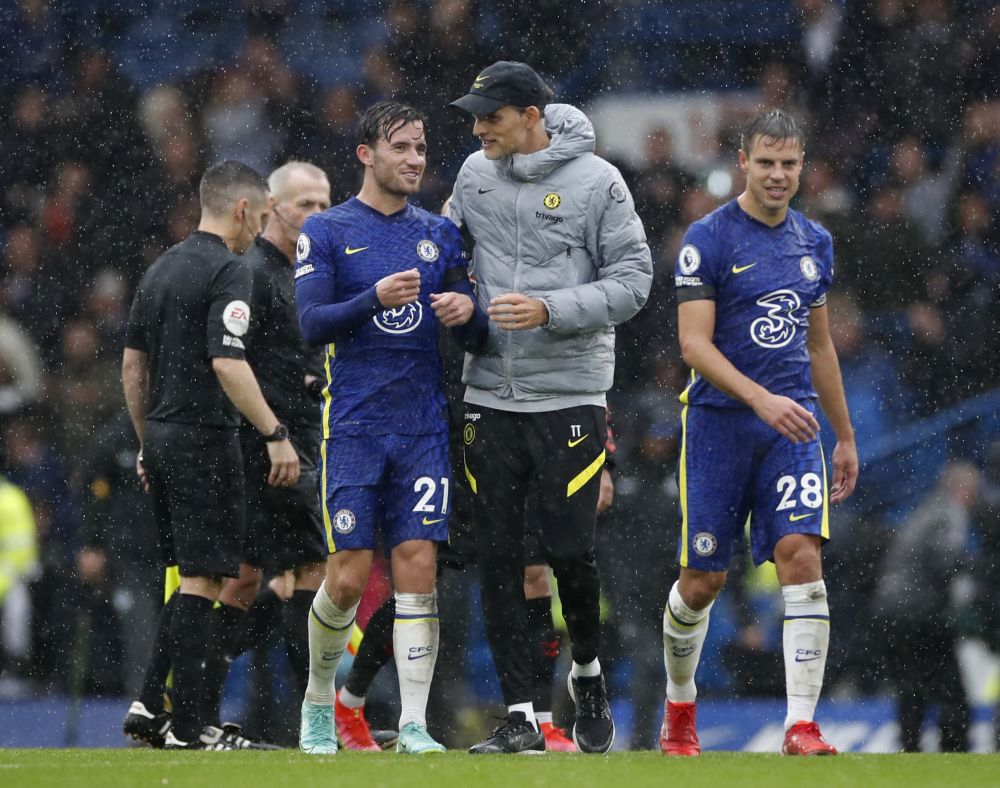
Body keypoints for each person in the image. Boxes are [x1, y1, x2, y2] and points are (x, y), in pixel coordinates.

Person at [447, 61, 652, 754]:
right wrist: (457, 300)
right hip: (490, 394)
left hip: (569, 394)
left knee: (571, 555)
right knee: (500, 559)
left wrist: (548, 309)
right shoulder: (472, 175)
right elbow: (449, 256)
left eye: (491, 117)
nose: (478, 130)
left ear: (532, 114)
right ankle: (523, 715)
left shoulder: (599, 182)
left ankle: (588, 673)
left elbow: (634, 283)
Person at [659, 109, 858, 757]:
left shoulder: (814, 243)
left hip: (792, 426)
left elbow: (821, 348)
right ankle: (680, 707)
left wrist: (845, 435)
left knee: (802, 556)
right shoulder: (708, 238)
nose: (777, 175)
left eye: (789, 164)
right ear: (743, 161)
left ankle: (801, 725)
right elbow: (693, 344)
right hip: (718, 426)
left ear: (803, 166)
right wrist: (758, 398)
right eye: (766, 162)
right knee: (702, 583)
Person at [293, 100, 486, 756]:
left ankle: (411, 724)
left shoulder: (440, 232)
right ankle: (318, 701)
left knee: (418, 568)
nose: (414, 160)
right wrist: (371, 299)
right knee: (345, 577)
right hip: (352, 426)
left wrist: (471, 309)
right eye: (401, 148)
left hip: (423, 428)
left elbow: (477, 324)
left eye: (421, 149)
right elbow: (312, 323)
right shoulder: (325, 231)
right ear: (366, 154)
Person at [121, 160, 299, 750]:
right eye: (264, 215)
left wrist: (147, 441)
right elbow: (228, 362)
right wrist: (275, 431)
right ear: (245, 209)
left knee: (195, 577)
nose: (261, 229)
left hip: (165, 437)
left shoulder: (162, 267)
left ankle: (153, 706)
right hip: (204, 438)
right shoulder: (230, 271)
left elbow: (133, 366)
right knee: (204, 581)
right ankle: (187, 723)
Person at [197, 160, 333, 739]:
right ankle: (315, 719)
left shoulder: (306, 272)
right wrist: (279, 420)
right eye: (306, 204)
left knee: (255, 580)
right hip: (271, 449)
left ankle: (194, 692)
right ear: (271, 207)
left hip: (287, 443)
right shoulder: (253, 272)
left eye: (326, 204)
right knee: (306, 570)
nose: (318, 215)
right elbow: (231, 362)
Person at [872, 461, 977, 752]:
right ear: (965, 491)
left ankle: (910, 745)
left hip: (891, 609)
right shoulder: (949, 514)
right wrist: (976, 570)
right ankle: (954, 747)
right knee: (950, 685)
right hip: (920, 612)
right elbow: (946, 558)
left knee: (909, 686)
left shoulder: (923, 511)